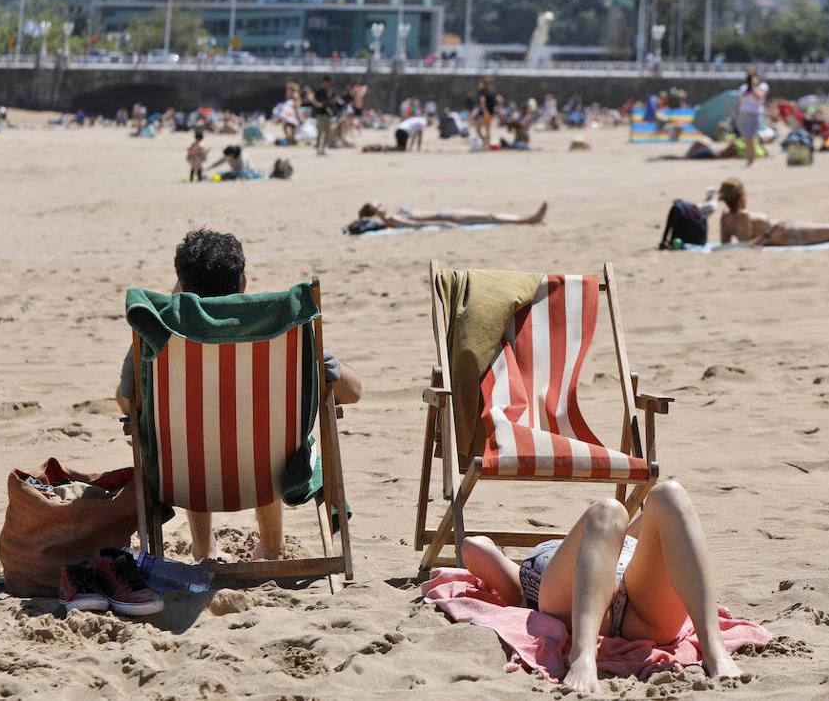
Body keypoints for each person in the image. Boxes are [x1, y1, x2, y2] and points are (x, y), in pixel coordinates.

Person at [114, 229, 363, 561]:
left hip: (183, 475)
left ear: (181, 286)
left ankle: (204, 548)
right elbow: (352, 391)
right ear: (243, 282)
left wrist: (178, 301)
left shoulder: (158, 333)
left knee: (189, 432)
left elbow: (127, 401)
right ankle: (273, 548)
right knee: (265, 429)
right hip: (270, 472)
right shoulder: (284, 331)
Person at [461, 482, 742, 694]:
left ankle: (714, 649)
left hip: (640, 606)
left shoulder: (614, 534)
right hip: (581, 609)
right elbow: (472, 549)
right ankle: (583, 656)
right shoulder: (524, 581)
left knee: (670, 493)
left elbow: (648, 530)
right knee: (609, 510)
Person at [346, 201, 547, 234]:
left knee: (489, 215)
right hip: (448, 217)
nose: (382, 206)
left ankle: (528, 218)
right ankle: (529, 219)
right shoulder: (392, 220)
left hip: (448, 213)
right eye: (377, 206)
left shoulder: (391, 215)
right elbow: (418, 224)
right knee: (490, 216)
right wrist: (444, 223)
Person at [736, 70, 768, 166]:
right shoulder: (744, 88)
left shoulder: (762, 86)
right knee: (746, 138)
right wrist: (748, 89)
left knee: (751, 137)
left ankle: (751, 159)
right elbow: (740, 99)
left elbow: (759, 97)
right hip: (743, 114)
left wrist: (753, 88)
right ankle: (749, 158)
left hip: (754, 114)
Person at [307, 76, 341, 155]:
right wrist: (316, 102)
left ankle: (323, 149)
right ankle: (318, 148)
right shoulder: (319, 92)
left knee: (327, 132)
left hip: (328, 114)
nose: (328, 84)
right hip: (320, 114)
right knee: (320, 132)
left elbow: (331, 101)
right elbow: (316, 102)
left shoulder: (329, 92)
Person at [477, 77, 498, 145]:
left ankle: (484, 141)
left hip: (485, 112)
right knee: (487, 129)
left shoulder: (483, 91)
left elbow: (482, 101)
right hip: (491, 112)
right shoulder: (492, 91)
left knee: (478, 129)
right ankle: (487, 143)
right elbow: (500, 99)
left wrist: (485, 111)